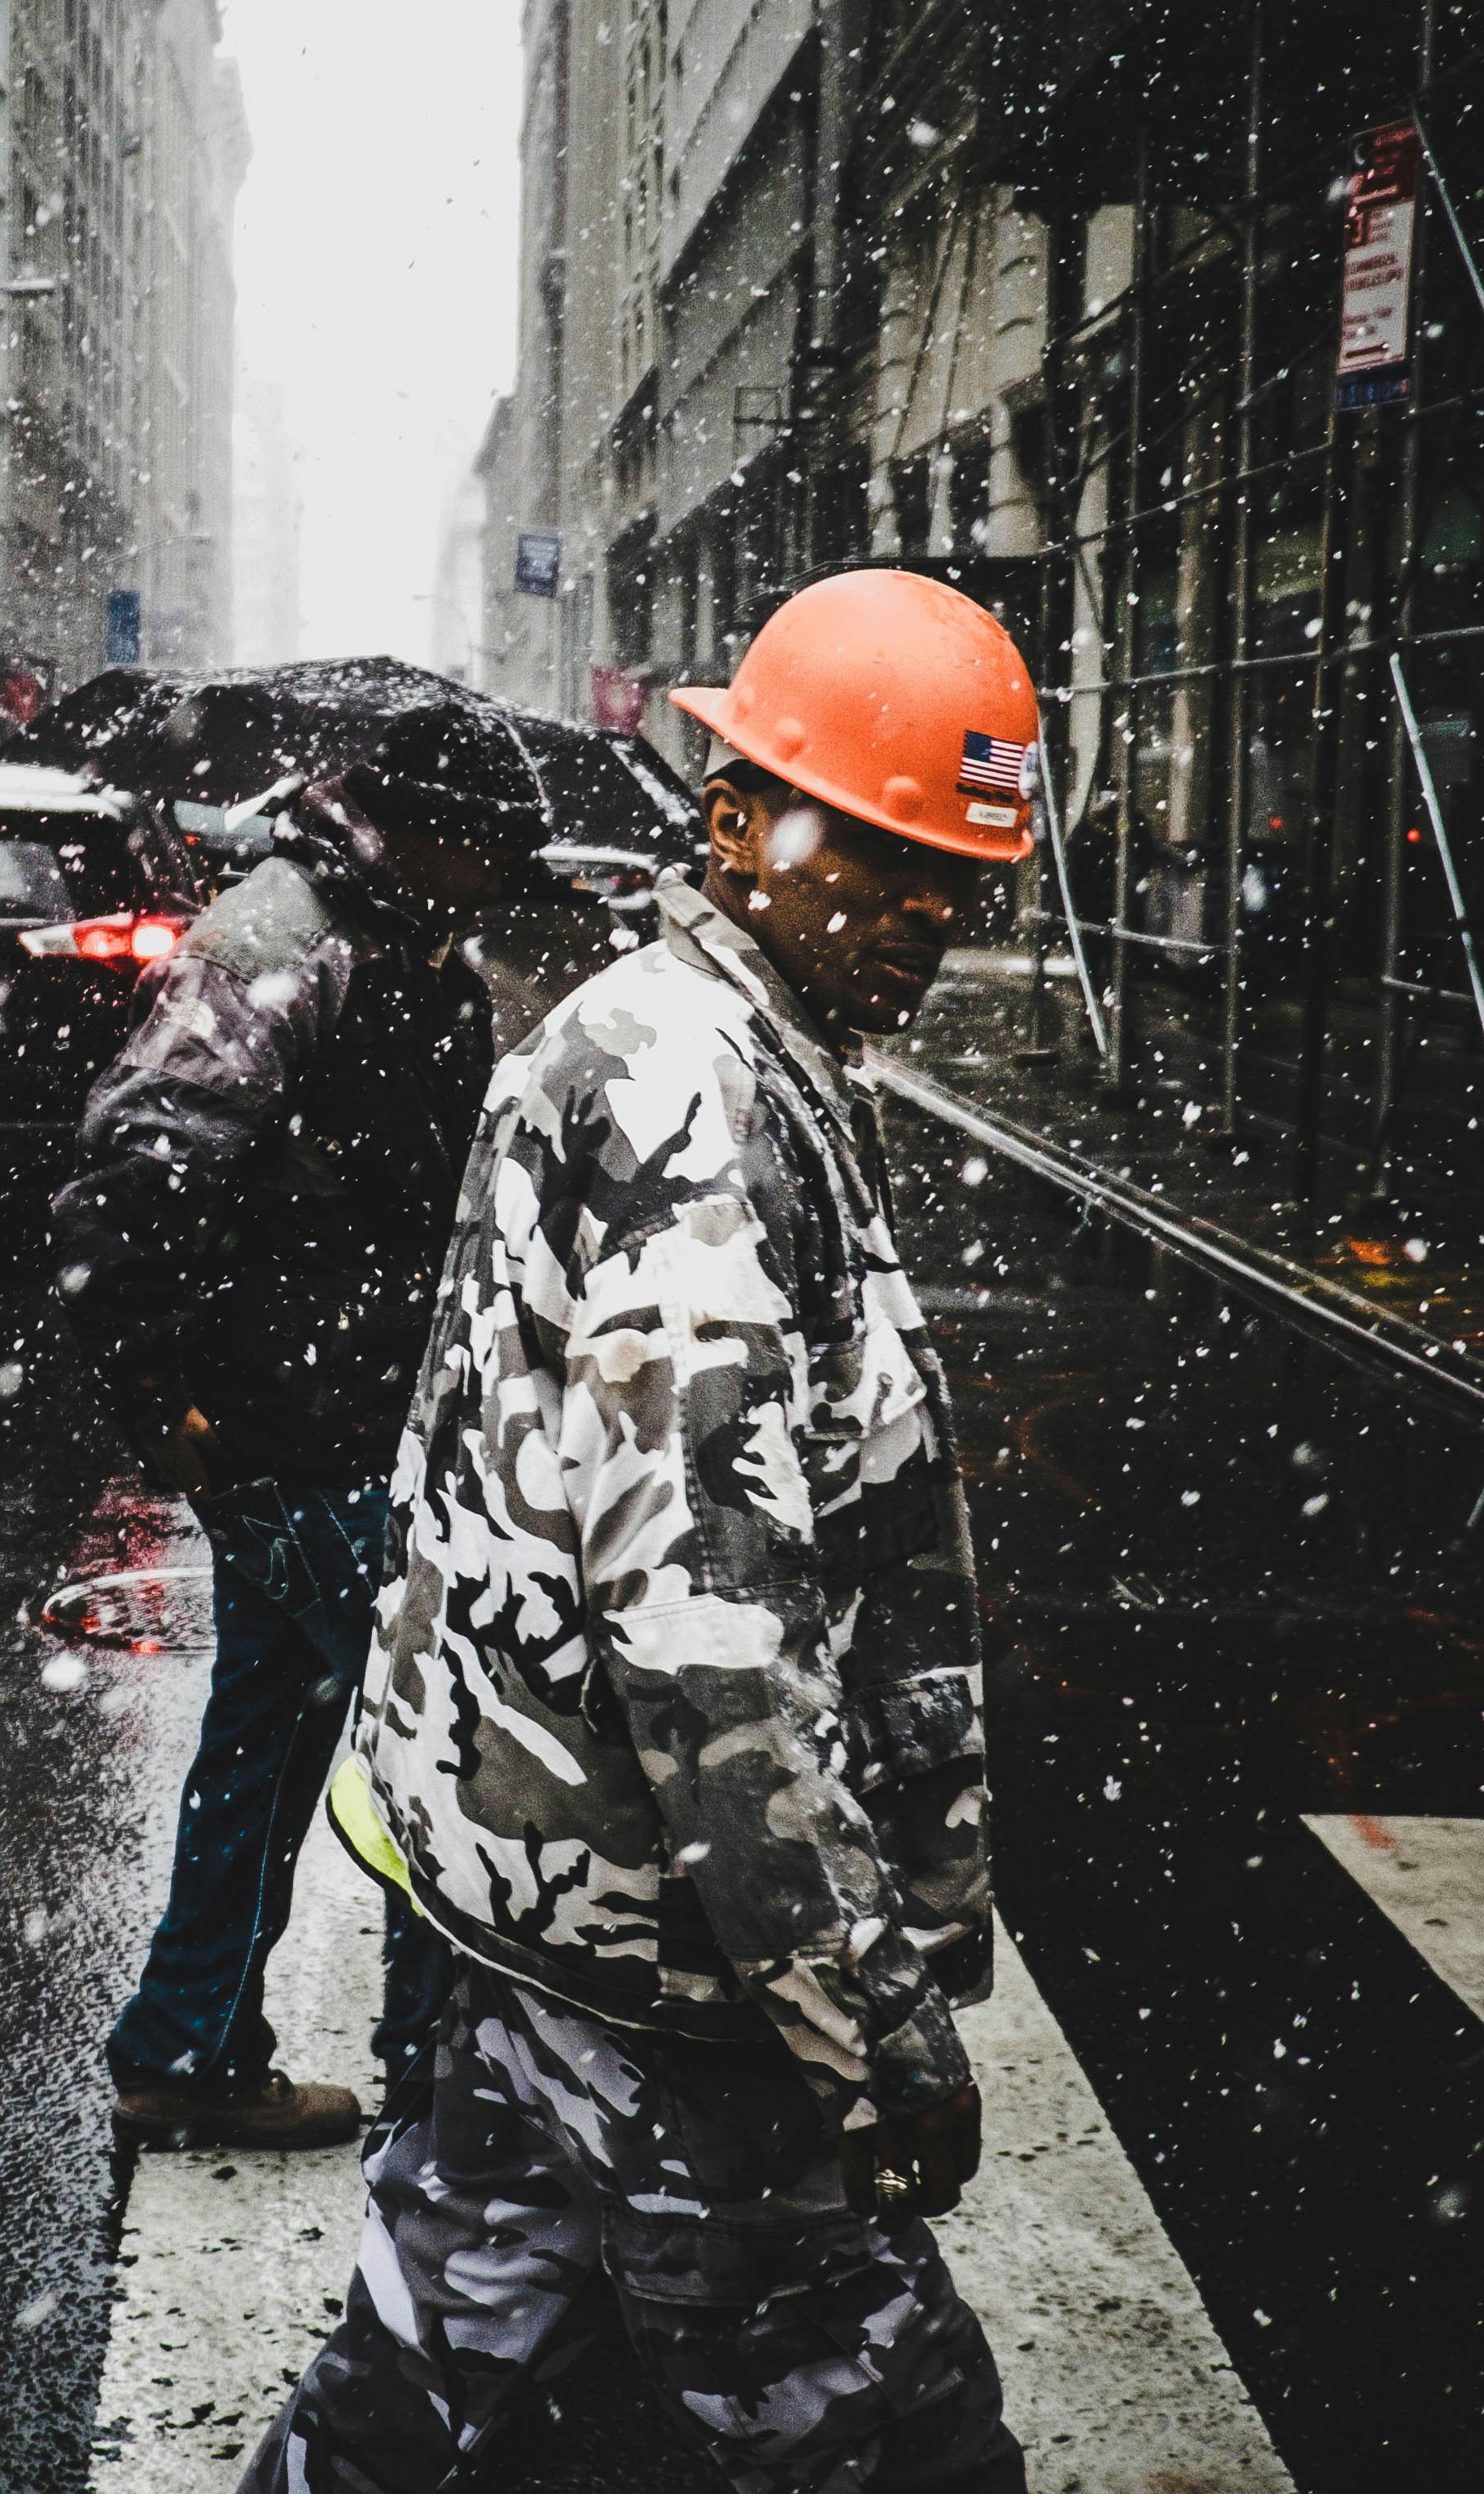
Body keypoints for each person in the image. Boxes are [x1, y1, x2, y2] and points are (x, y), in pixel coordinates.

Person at [249, 570, 1041, 2492]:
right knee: (894, 2444)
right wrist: (868, 2018)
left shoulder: (701, 1042)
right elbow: (703, 1626)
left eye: (956, 874)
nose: (925, 913)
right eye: (877, 855)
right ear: (736, 822)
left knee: (430, 2394)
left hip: (570, 1919)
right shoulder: (692, 1088)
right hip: (678, 1961)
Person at [51, 702, 557, 2148]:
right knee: (439, 1742)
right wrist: (166, 1397)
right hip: (302, 1426)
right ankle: (443, 2102)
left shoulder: (396, 943)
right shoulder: (286, 939)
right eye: (493, 852)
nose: (505, 881)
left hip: (350, 1411)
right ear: (427, 833)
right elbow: (136, 1168)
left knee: (268, 1738)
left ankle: (186, 2046)